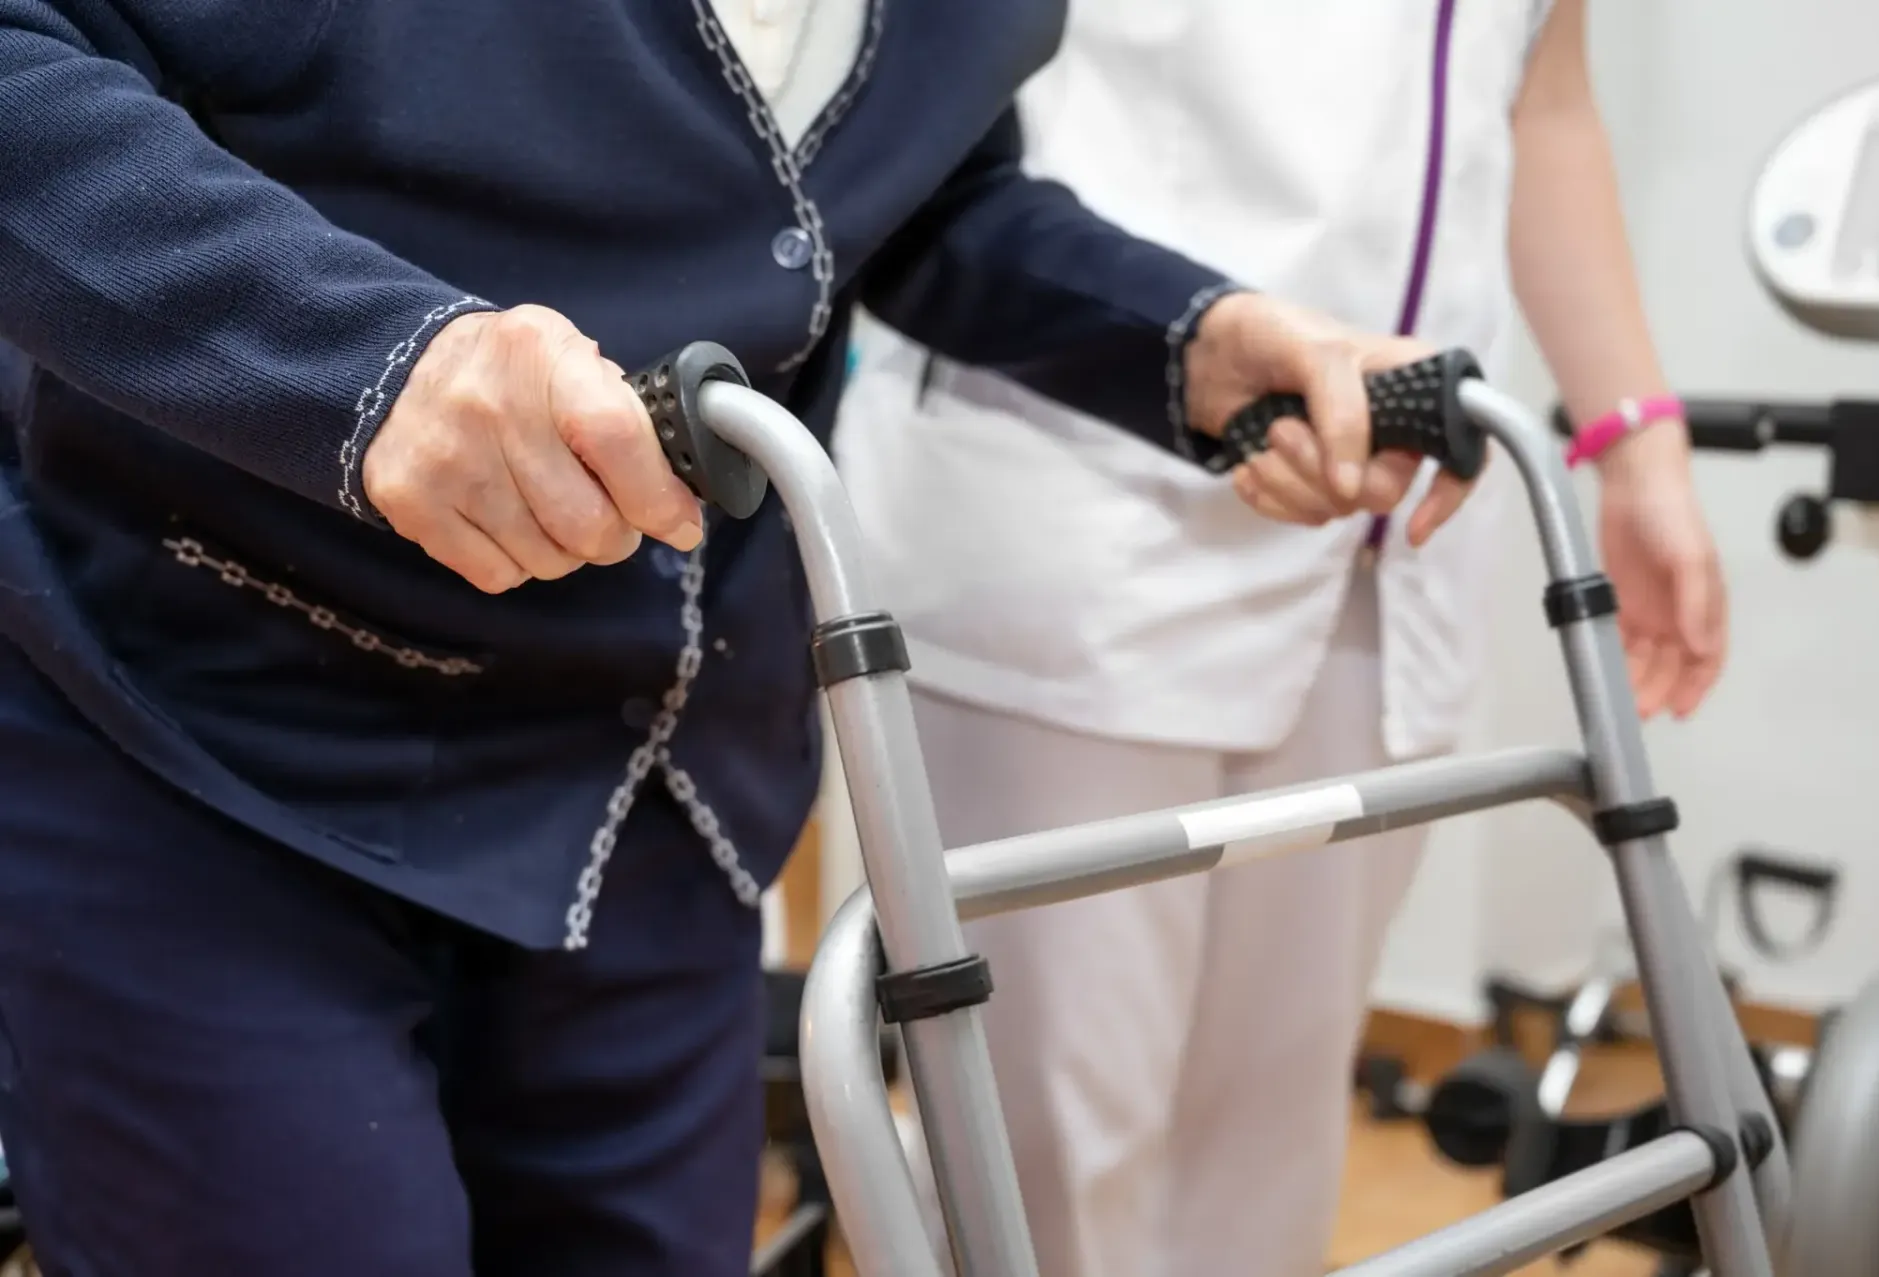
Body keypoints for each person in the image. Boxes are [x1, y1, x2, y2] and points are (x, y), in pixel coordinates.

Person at [0, 2, 1481, 1275]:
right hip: (206, 744)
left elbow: (914, 195)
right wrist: (368, 362)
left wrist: (1190, 336)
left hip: (654, 789)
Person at [832, 2, 1729, 1275]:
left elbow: (1541, 97)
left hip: (1394, 543)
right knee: (1044, 1181)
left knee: (1267, 1163)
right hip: (1083, 507)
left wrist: (1637, 443)